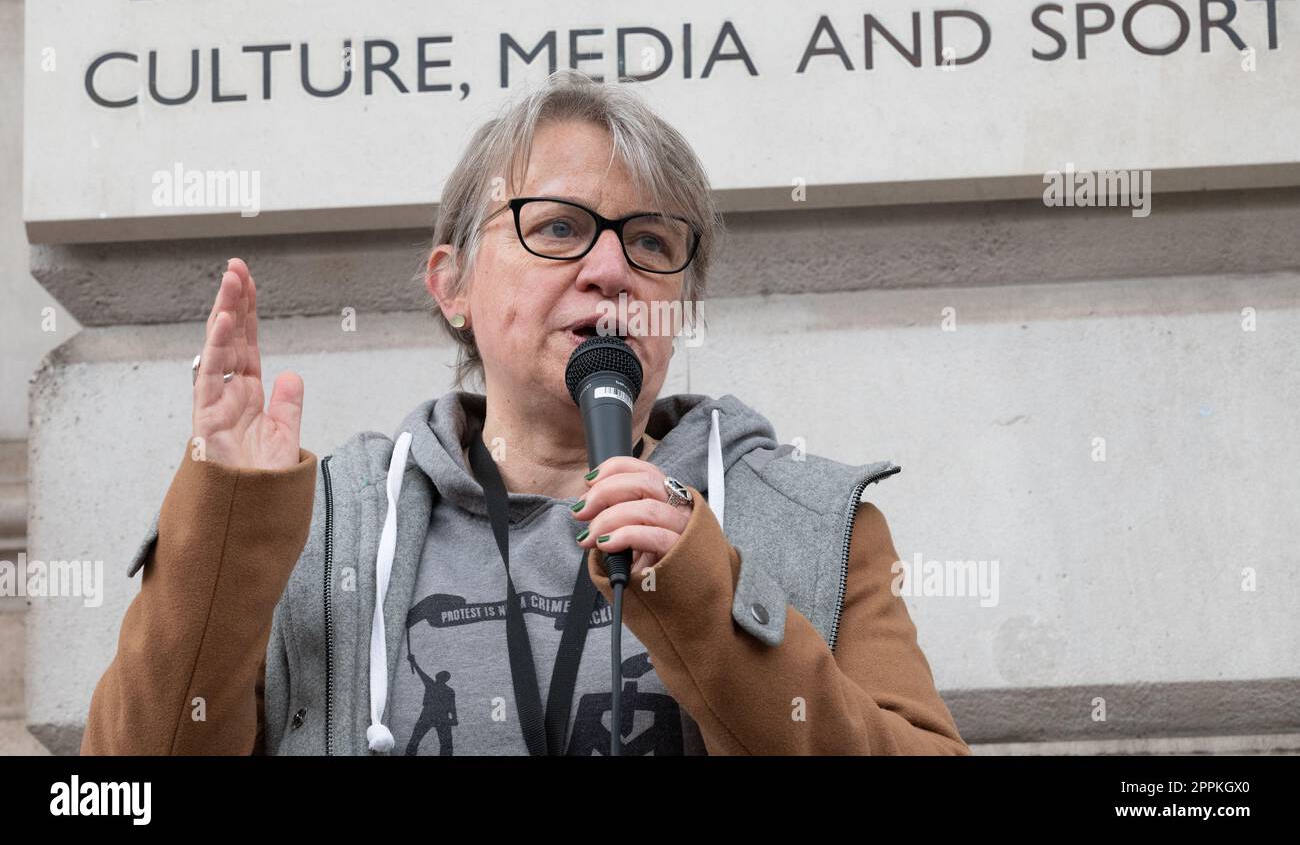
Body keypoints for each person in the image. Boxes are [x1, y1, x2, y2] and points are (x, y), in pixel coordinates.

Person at [80, 69, 970, 756]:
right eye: (557, 228)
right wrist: (227, 531)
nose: (612, 270)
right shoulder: (321, 525)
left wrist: (706, 598)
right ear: (453, 284)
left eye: (652, 242)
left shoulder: (812, 525)